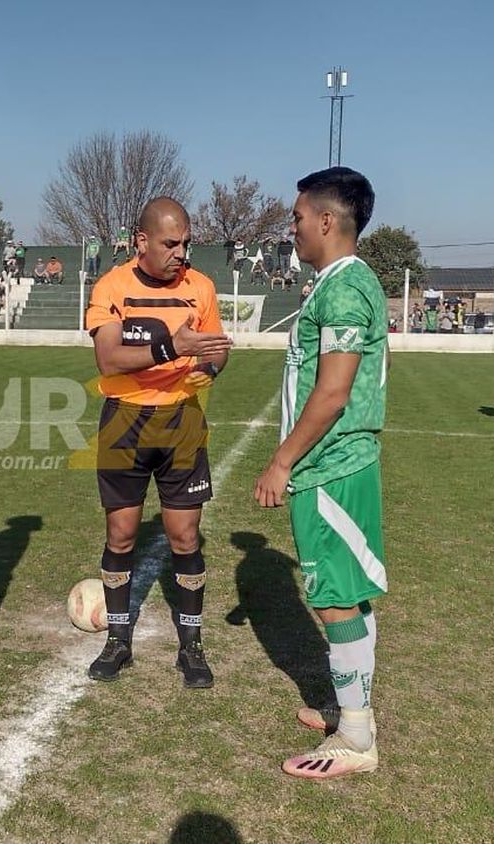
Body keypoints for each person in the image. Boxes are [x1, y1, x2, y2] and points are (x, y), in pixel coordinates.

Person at [253, 166, 388, 780]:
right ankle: (353, 714)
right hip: (343, 461)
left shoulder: (341, 287)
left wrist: (282, 461)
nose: (293, 228)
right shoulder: (344, 282)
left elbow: (333, 392)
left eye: (298, 217)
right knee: (350, 592)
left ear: (327, 221)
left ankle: (356, 740)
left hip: (328, 465)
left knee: (335, 598)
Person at [84, 196, 233, 690]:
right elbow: (109, 358)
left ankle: (191, 647)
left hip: (181, 422)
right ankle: (117, 640)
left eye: (186, 242)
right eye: (171, 243)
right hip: (124, 421)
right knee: (121, 536)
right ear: (141, 242)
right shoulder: (112, 286)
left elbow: (216, 353)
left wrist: (207, 365)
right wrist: (176, 348)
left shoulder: (202, 287)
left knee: (185, 537)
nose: (181, 252)